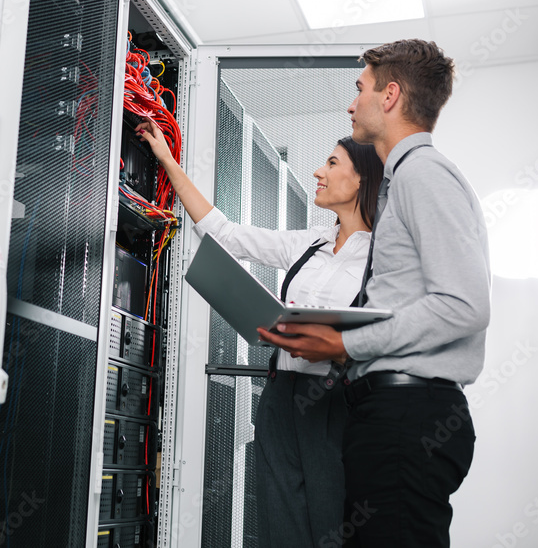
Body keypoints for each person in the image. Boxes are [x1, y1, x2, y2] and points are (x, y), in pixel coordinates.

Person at [258, 39, 491, 548]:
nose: (350, 103)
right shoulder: (405, 180)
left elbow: (465, 305)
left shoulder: (424, 174)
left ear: (389, 96)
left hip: (409, 417)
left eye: (359, 89)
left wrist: (344, 345)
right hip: (388, 413)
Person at [137, 120, 384, 548]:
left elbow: (390, 336)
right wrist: (167, 161)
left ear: (362, 177)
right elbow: (226, 235)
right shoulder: (309, 244)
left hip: (335, 403)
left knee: (334, 525)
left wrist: (340, 352)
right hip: (280, 397)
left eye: (331, 163)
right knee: (279, 523)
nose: (317, 173)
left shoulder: (384, 256)